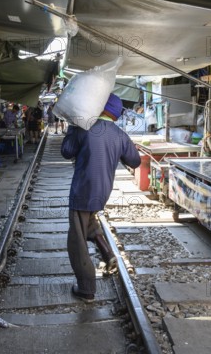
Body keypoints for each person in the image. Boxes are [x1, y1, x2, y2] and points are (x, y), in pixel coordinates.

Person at [61, 93, 141, 303]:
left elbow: (66, 151)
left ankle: (87, 289)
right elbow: (135, 161)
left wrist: (72, 125)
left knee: (76, 241)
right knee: (90, 222)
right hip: (103, 191)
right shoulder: (119, 134)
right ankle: (107, 253)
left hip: (82, 190)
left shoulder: (84, 126)